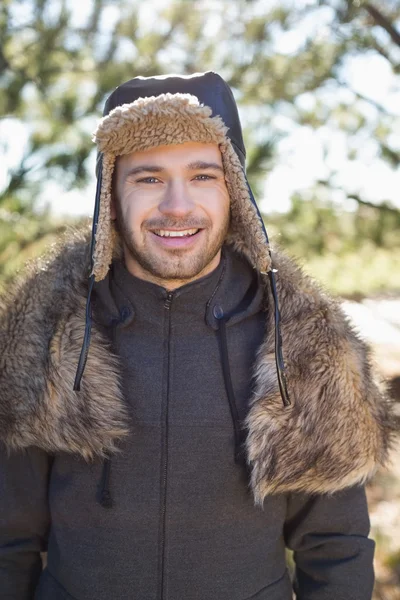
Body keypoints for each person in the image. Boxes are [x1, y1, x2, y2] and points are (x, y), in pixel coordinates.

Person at [0, 71, 396, 600]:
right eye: (148, 178)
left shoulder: (304, 345)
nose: (178, 206)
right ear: (110, 194)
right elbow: (9, 542)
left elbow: (336, 547)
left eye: (203, 175)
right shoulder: (46, 336)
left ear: (234, 189)